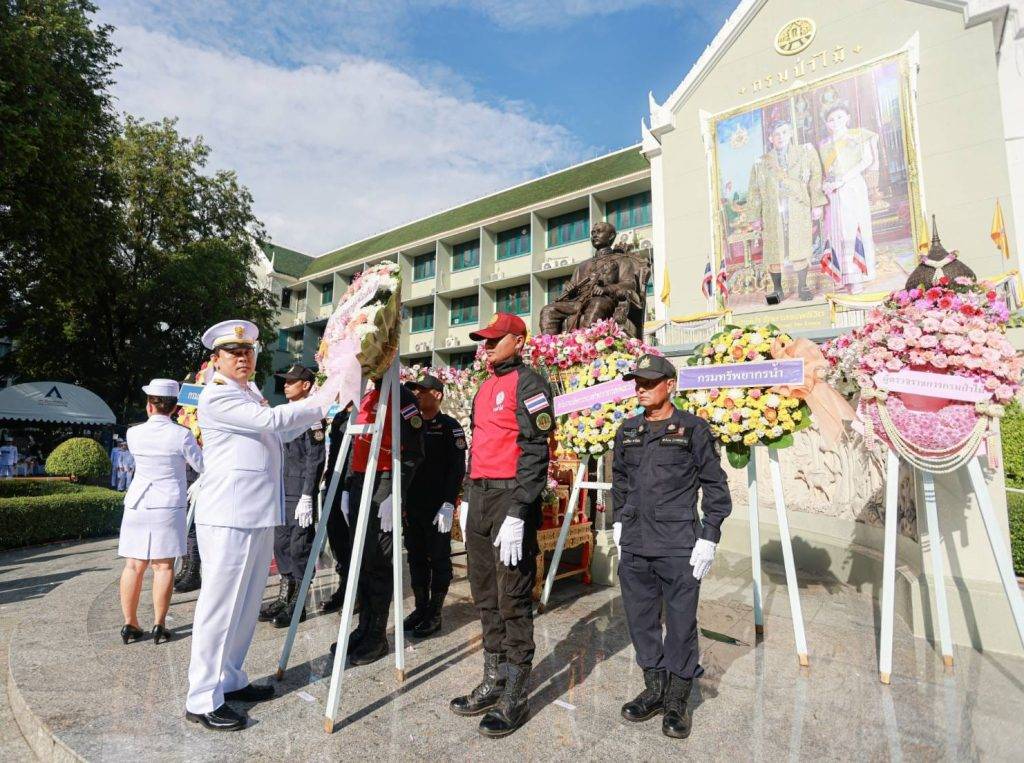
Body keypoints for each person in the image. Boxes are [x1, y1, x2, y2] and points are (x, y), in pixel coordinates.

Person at [185, 320, 339, 732]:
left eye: (248, 352)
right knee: (220, 606)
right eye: (234, 353)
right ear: (216, 360)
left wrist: (321, 408)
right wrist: (324, 399)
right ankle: (201, 696)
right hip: (228, 516)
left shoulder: (248, 393)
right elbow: (271, 424)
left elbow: (281, 426)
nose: (243, 358)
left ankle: (230, 680)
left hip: (254, 512)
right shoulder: (218, 397)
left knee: (247, 603)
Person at [611, 354, 733, 740]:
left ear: (670, 384)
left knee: (680, 624)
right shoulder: (627, 429)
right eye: (638, 382)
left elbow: (715, 486)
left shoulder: (693, 429)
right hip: (634, 542)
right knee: (641, 620)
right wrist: (618, 520)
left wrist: (709, 535)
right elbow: (619, 481)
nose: (641, 388)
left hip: (679, 544)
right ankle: (655, 688)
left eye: (649, 382)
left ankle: (678, 699)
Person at [450, 313, 553, 738]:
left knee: (512, 594)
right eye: (483, 340)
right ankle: (493, 677)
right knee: (484, 591)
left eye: (495, 340)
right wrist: (465, 496)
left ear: (518, 341)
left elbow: (535, 450)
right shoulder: (485, 386)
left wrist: (519, 509)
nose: (486, 346)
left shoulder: (530, 384)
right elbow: (479, 446)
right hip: (480, 495)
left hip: (511, 496)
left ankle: (516, 689)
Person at [328, 378, 424, 665]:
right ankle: (365, 627)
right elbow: (355, 444)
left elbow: (415, 452)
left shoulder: (403, 397)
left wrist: (396, 492)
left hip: (384, 481)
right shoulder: (369, 396)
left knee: (378, 558)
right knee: (362, 558)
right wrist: (347, 486)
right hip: (360, 479)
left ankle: (377, 636)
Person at [118, 379, 204, 645]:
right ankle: (159, 624)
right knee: (163, 566)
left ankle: (130, 623)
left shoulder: (134, 433)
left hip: (137, 503)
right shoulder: (182, 434)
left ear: (149, 405)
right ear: (174, 406)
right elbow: (202, 466)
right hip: (167, 503)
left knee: (133, 565)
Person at [258, 364, 326, 628]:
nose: (285, 385)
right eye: (284, 382)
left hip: (300, 493)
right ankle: (284, 595)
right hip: (282, 489)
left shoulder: (311, 415)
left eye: (291, 382)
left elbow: (316, 457)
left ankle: (299, 603)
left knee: (299, 547)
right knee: (281, 545)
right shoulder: (284, 413)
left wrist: (308, 494)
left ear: (306, 385)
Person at [402, 375, 466, 637]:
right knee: (416, 556)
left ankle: (435, 612)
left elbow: (457, 469)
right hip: (412, 505)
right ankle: (421, 607)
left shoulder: (451, 427)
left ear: (437, 394)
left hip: (438, 507)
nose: (417, 394)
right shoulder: (411, 424)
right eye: (415, 390)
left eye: (423, 391)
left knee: (438, 558)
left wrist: (449, 503)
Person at [746, 119, 826, 303]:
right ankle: (777, 290)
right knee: (774, 250)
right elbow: (754, 190)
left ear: (790, 133)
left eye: (784, 132)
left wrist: (817, 204)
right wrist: (755, 216)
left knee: (800, 245)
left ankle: (802, 286)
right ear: (771, 138)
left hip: (798, 207)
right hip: (773, 212)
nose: (780, 137)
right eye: (776, 134)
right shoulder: (761, 163)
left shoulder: (804, 153)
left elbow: (815, 178)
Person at [818, 104, 879, 294]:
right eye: (831, 120)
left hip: (853, 187)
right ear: (827, 124)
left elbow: (866, 160)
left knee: (853, 230)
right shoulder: (824, 145)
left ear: (847, 117)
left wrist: (843, 180)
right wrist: (827, 185)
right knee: (837, 233)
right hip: (834, 193)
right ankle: (844, 276)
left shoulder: (859, 135)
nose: (835, 122)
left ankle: (857, 277)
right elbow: (825, 171)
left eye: (839, 117)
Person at [319, 402, 354, 614]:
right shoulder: (341, 415)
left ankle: (357, 592)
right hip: (335, 481)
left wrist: (349, 485)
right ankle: (344, 586)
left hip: (352, 483)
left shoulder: (365, 411)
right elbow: (334, 450)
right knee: (336, 538)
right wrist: (328, 474)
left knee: (352, 541)